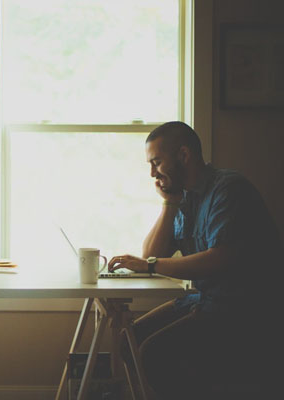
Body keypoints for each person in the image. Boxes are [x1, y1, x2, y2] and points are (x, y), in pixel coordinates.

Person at [108, 121, 282, 399]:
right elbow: (153, 253)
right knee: (128, 342)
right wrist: (169, 204)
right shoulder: (185, 199)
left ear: (184, 155)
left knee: (153, 353)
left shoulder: (228, 189)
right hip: (204, 299)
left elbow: (217, 260)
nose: (152, 173)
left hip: (240, 307)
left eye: (157, 162)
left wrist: (150, 266)